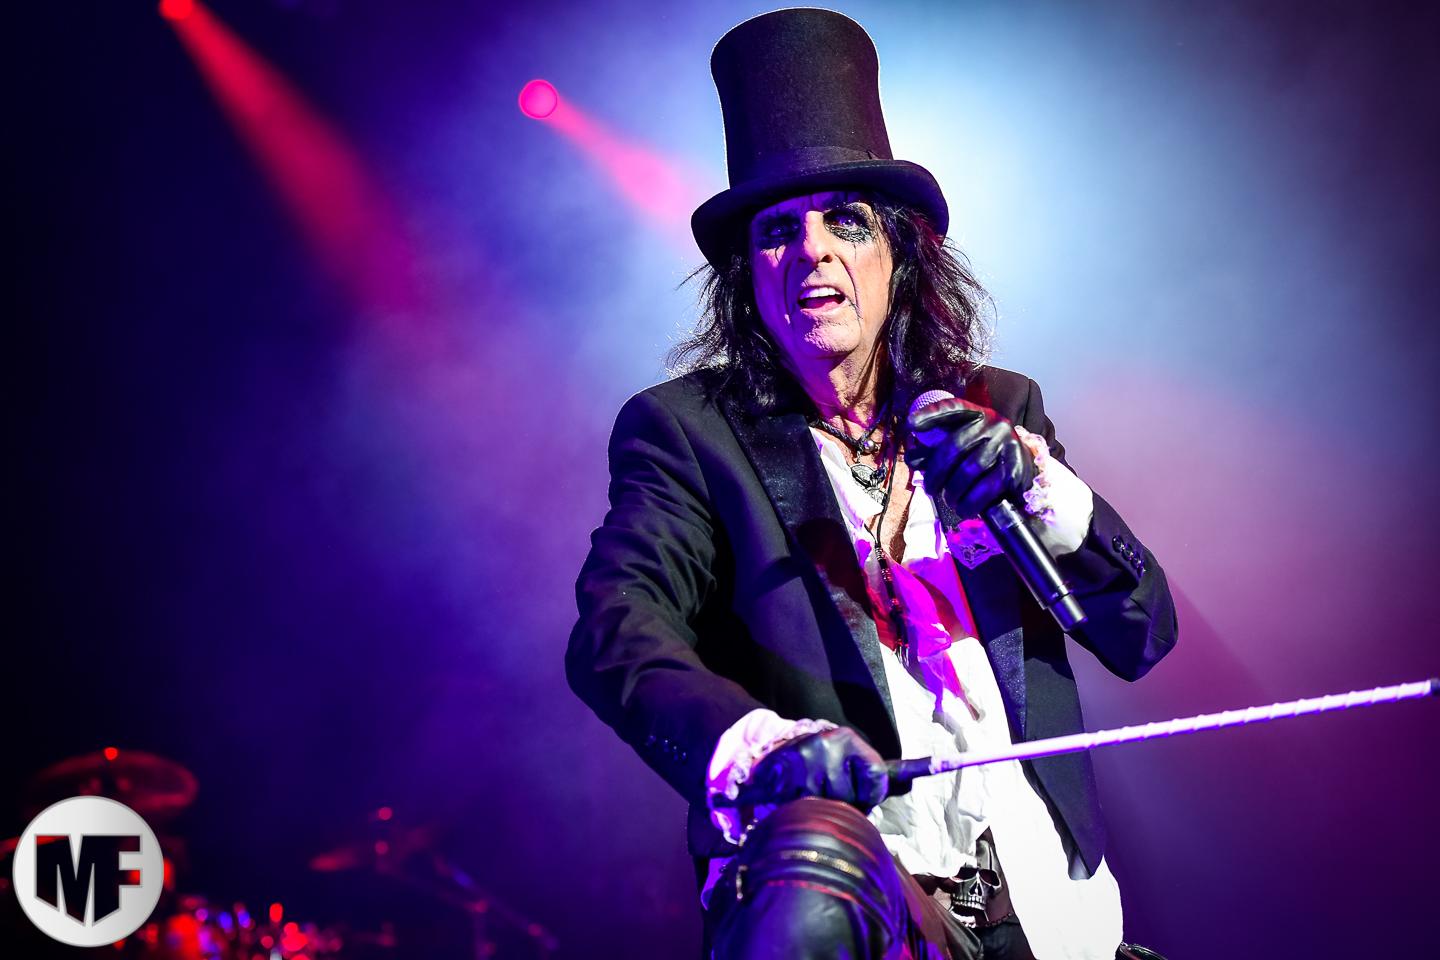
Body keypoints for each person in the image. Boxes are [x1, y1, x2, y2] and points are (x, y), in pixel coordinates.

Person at [566, 9, 1177, 959]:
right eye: (779, 231)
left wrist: (1043, 492)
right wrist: (759, 750)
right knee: (821, 885)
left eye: (845, 221)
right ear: (749, 276)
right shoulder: (687, 432)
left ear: (899, 255)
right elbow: (616, 631)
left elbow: (1141, 635)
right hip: (862, 914)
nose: (812, 249)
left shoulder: (996, 406)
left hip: (1057, 918)